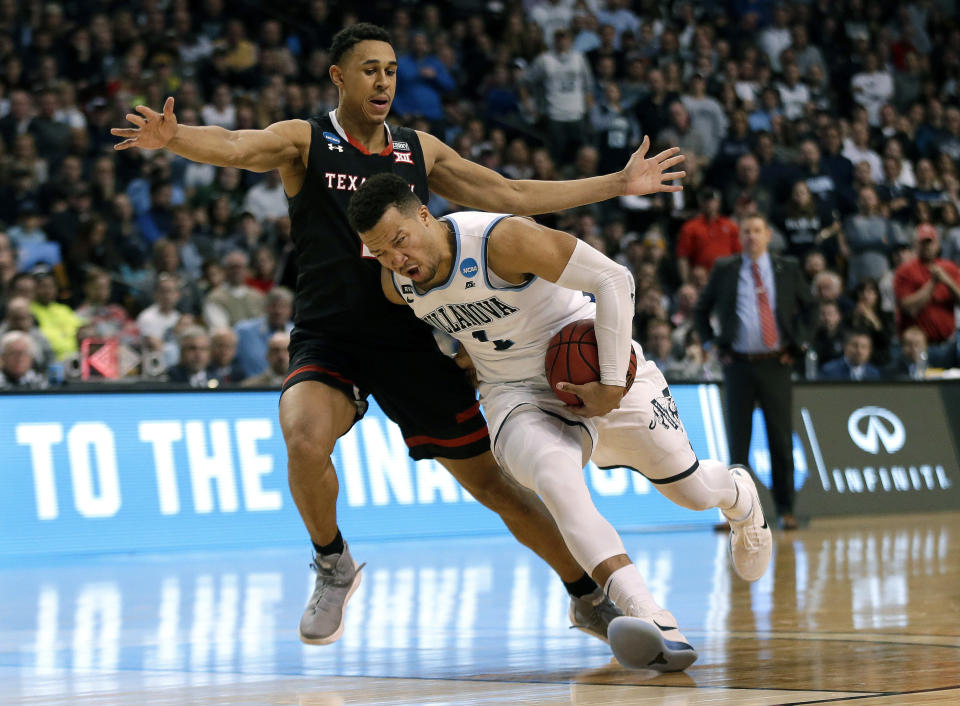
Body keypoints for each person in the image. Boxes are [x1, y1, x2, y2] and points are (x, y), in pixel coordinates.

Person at [111, 23, 687, 649]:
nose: (382, 81)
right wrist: (176, 140)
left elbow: (512, 193)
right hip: (330, 336)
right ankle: (332, 563)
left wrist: (616, 185)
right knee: (303, 437)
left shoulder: (419, 150)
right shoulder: (306, 141)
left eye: (390, 69)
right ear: (338, 77)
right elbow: (233, 143)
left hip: (416, 339)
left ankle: (586, 596)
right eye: (368, 70)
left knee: (498, 487)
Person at [347, 173, 773, 672]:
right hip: (517, 395)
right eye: (381, 253)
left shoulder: (499, 241)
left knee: (693, 492)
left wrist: (612, 382)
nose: (397, 260)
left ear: (424, 215)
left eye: (399, 241)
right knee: (554, 478)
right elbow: (446, 329)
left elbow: (614, 278)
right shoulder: (397, 285)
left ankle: (739, 496)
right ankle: (655, 619)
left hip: (593, 362)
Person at [694, 213, 818, 531]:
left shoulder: (787, 268)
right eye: (746, 231)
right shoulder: (726, 268)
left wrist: (799, 344)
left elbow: (812, 308)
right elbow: (701, 309)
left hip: (777, 363)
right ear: (740, 237)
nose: (751, 236)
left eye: (757, 231)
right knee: (738, 443)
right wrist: (711, 342)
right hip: (738, 364)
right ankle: (738, 515)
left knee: (780, 440)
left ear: (768, 236)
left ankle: (786, 511)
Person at [893, 225, 960, 366]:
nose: (927, 247)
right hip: (915, 347)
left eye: (930, 242)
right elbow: (909, 309)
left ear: (937, 245)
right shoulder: (905, 271)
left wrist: (947, 280)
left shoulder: (950, 268)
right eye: (922, 243)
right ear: (916, 245)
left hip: (947, 345)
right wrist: (932, 283)